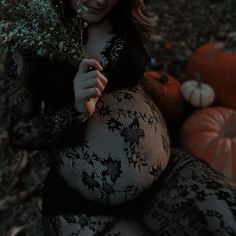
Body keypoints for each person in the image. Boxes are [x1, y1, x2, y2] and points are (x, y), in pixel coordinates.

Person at [6, 0, 236, 235]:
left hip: (166, 176)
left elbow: (136, 80)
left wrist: (171, 104)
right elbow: (20, 133)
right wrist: (76, 111)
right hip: (85, 207)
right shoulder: (29, 40)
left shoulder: (124, 16)